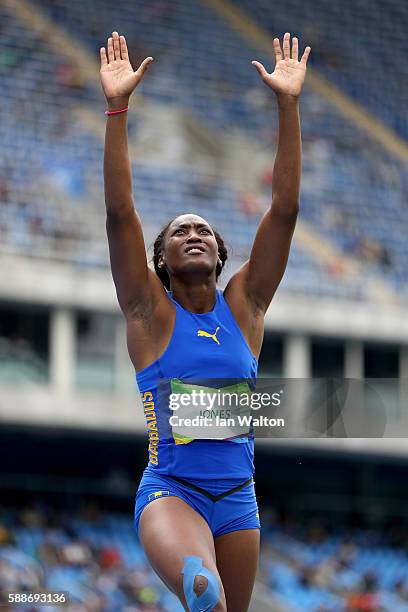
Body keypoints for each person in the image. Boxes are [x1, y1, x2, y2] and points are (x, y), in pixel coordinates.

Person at [100, 30, 310, 612]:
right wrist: (117, 109)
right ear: (161, 260)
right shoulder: (148, 311)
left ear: (219, 255)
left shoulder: (246, 305)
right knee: (204, 595)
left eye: (202, 231)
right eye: (178, 232)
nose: (192, 234)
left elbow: (285, 211)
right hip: (174, 492)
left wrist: (288, 106)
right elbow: (120, 217)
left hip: (239, 499)